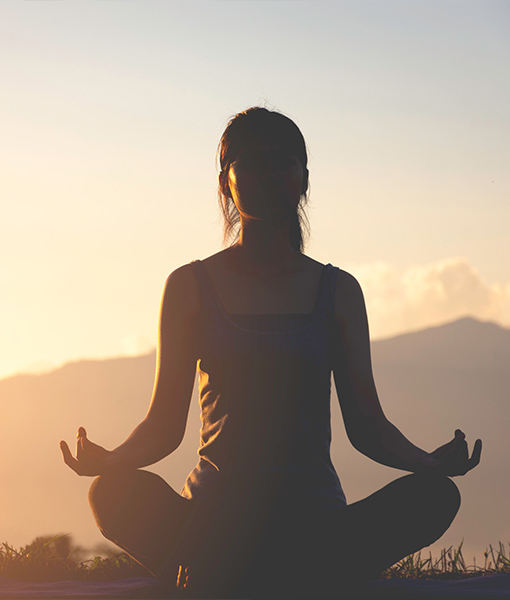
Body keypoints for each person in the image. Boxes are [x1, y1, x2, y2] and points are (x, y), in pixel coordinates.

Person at [59, 107, 482, 598]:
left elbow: (368, 427)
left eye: (284, 162)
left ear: (304, 178)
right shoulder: (190, 287)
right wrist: (109, 461)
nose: (271, 173)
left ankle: (237, 578)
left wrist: (430, 465)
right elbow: (164, 426)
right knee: (111, 493)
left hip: (316, 527)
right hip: (211, 528)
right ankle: (255, 574)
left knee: (435, 497)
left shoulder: (338, 290)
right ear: (225, 181)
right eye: (255, 162)